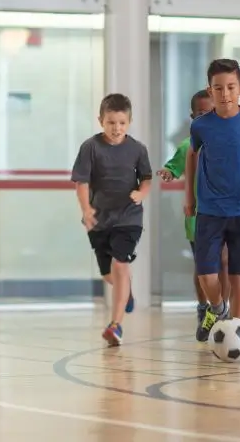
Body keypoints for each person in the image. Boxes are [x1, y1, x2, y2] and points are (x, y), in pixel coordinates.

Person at [184, 58, 240, 343]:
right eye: (218, 88)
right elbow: (192, 157)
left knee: (239, 273)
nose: (225, 94)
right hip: (209, 210)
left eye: (231, 87)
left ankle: (236, 328)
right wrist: (190, 197)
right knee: (206, 272)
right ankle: (218, 309)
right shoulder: (201, 126)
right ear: (210, 91)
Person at [71, 93, 153, 346]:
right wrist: (86, 210)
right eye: (111, 123)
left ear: (129, 122)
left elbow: (147, 178)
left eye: (121, 123)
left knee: (120, 265)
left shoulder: (138, 149)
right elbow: (81, 182)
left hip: (129, 219)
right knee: (109, 274)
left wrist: (141, 193)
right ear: (100, 121)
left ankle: (115, 325)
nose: (116, 128)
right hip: (99, 220)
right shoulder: (90, 147)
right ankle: (125, 291)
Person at [157, 89, 230, 333]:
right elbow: (174, 167)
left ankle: (221, 310)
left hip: (224, 214)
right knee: (203, 267)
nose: (207, 117)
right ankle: (203, 307)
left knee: (224, 262)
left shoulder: (227, 142)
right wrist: (168, 172)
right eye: (201, 113)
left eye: (211, 112)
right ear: (192, 117)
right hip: (198, 219)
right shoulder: (188, 145)